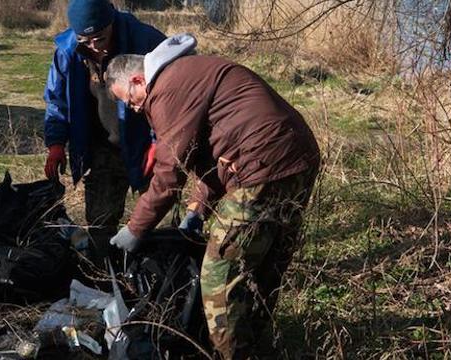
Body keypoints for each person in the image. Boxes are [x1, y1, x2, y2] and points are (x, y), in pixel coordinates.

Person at [105, 34, 321, 359]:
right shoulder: (187, 73)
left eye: (130, 101)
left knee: (219, 272)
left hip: (262, 163)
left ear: (138, 80)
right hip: (295, 158)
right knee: (262, 267)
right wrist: (197, 210)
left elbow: (169, 172)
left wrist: (135, 229)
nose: (134, 109)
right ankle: (259, 348)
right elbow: (211, 156)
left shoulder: (166, 88)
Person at [43, 0, 165, 269]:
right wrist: (55, 143)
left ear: (111, 22)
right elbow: (57, 102)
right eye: (86, 39)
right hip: (101, 149)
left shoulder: (147, 41)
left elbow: (173, 95)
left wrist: (160, 143)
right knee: (100, 225)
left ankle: (161, 282)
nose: (95, 46)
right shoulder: (68, 51)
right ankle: (106, 280)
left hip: (146, 147)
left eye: (99, 37)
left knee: (158, 221)